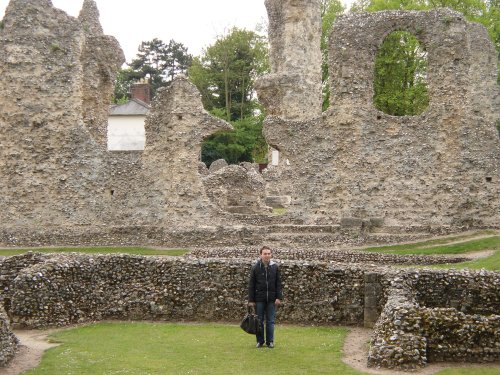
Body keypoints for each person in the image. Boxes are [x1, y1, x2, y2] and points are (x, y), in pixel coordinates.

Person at [248, 246, 283, 348]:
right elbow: (251, 285)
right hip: (259, 299)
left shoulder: (275, 267)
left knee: (270, 321)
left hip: (272, 299)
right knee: (259, 321)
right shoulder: (255, 267)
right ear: (261, 254)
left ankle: (270, 341)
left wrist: (279, 297)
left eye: (268, 253)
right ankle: (260, 341)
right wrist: (251, 300)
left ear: (271, 254)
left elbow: (278, 283)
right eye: (265, 253)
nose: (267, 255)